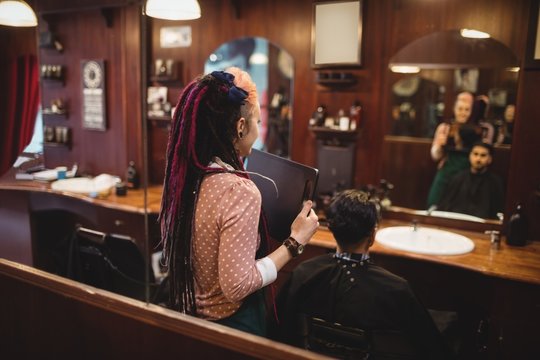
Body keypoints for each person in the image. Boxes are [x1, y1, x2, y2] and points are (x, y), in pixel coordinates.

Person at [159, 68, 319, 336]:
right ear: (240, 127)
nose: (258, 131)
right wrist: (295, 243)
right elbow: (237, 286)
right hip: (231, 325)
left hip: (191, 316)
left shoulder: (185, 177)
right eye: (257, 121)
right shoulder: (239, 191)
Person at [276, 190, 454, 359]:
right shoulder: (397, 290)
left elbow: (280, 330)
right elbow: (433, 349)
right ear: (373, 234)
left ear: (331, 229)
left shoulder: (303, 273)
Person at [427, 91, 485, 207]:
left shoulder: (479, 130)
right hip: (447, 172)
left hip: (467, 176)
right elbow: (435, 156)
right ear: (454, 109)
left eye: (467, 109)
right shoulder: (444, 128)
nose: (463, 113)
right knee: (434, 204)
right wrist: (439, 145)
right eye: (460, 109)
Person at [437, 142, 504, 219]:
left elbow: (498, 213)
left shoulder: (495, 182)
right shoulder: (458, 178)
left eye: (483, 155)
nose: (478, 159)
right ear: (469, 156)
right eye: (475, 154)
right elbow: (444, 206)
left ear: (490, 159)